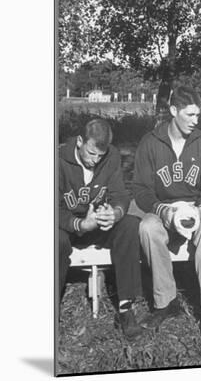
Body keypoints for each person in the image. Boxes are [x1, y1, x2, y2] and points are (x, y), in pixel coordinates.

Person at [132, 86, 201, 353]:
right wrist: (162, 211)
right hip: (165, 208)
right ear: (174, 111)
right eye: (190, 114)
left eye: (198, 115)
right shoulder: (150, 142)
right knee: (147, 228)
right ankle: (166, 302)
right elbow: (140, 189)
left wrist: (200, 210)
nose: (195, 120)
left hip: (199, 207)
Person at [59, 119, 142, 339]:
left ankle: (126, 308)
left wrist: (114, 213)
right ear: (79, 141)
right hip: (67, 227)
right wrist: (79, 224)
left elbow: (121, 196)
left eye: (100, 156)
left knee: (130, 225)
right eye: (91, 153)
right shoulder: (57, 159)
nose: (95, 161)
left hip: (97, 224)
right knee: (53, 239)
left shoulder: (111, 156)